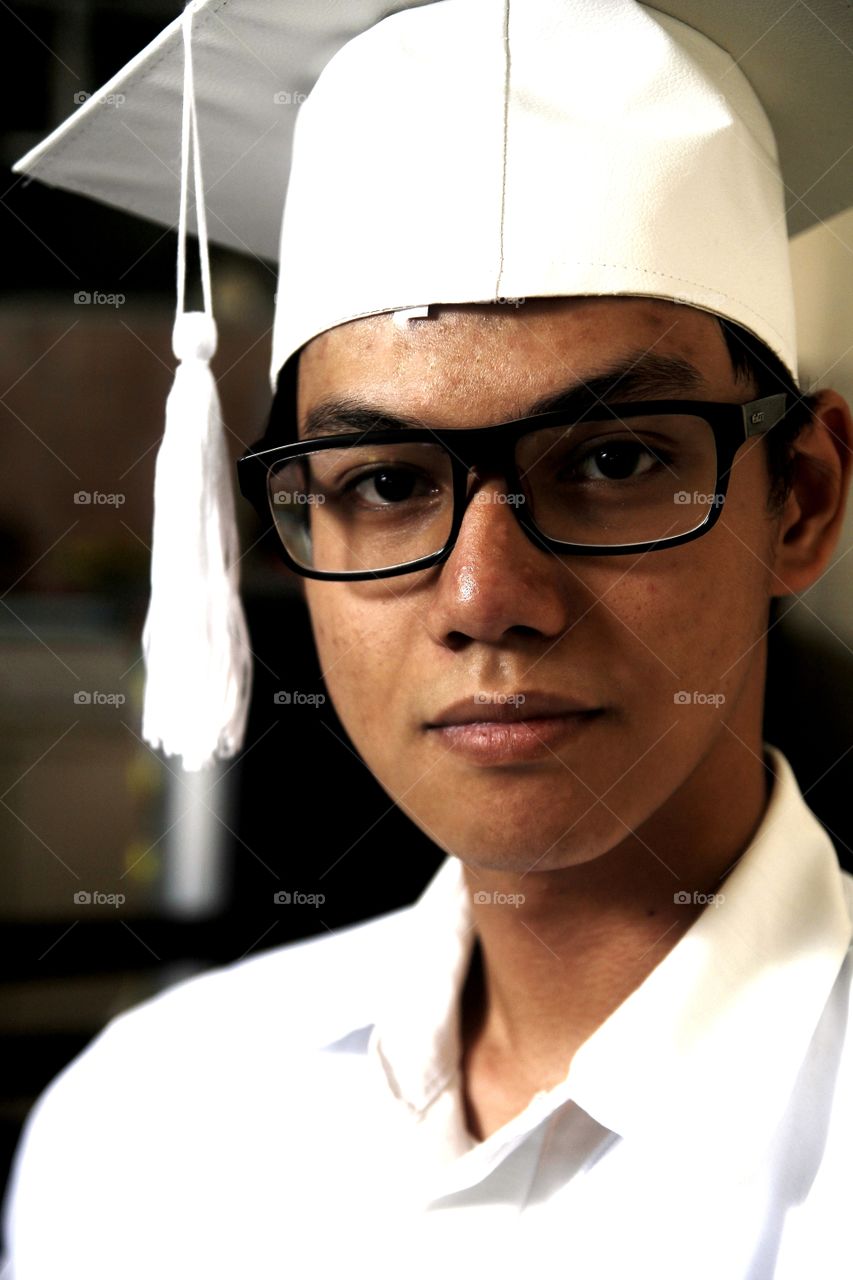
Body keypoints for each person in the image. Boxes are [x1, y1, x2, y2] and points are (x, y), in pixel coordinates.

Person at [4, 1, 853, 1276]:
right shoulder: (139, 1132)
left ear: (798, 498)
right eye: (387, 483)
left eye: (613, 460)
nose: (484, 594)